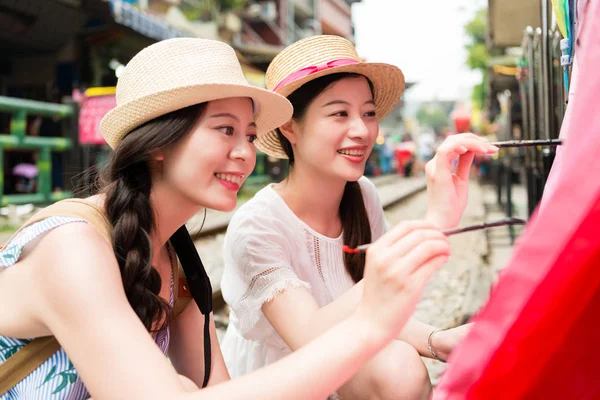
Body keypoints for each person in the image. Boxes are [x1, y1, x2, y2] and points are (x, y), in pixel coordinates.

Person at [0, 38, 451, 400]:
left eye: (250, 135)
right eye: (224, 129)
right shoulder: (73, 248)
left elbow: (219, 391)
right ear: (159, 140)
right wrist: (370, 326)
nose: (244, 153)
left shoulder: (174, 259)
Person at [220, 35, 498, 400]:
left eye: (368, 113)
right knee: (396, 367)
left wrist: (437, 342)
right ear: (289, 127)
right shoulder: (256, 227)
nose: (362, 130)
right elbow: (310, 337)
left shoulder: (362, 194)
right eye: (339, 113)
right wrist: (433, 223)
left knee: (402, 364)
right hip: (283, 383)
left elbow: (373, 311)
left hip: (344, 368)